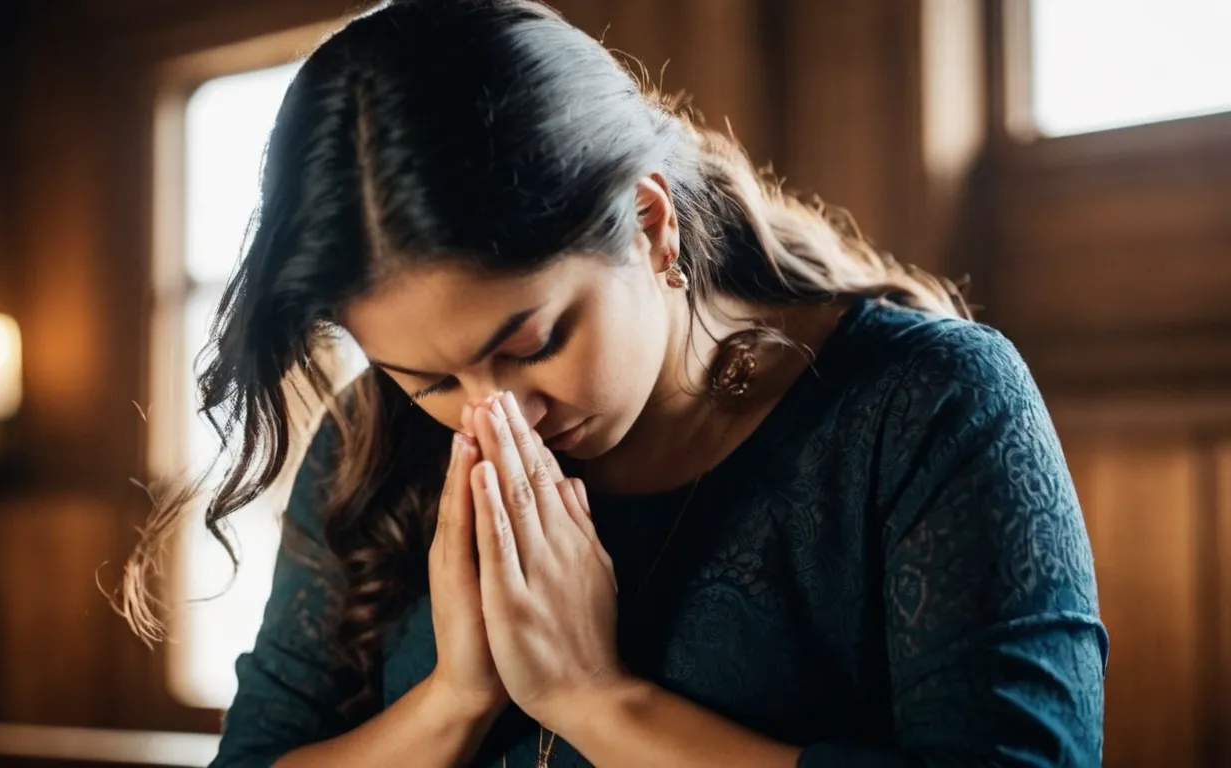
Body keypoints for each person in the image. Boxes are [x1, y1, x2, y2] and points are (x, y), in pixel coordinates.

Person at [122, 0, 1108, 765]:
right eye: (426, 379)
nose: (493, 413)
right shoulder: (369, 440)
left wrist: (593, 699)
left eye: (535, 339)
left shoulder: (923, 408)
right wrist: (454, 700)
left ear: (649, 226)